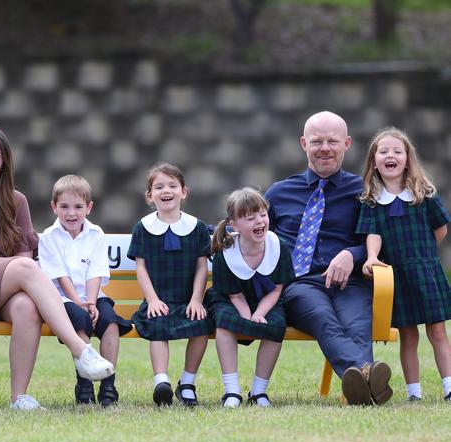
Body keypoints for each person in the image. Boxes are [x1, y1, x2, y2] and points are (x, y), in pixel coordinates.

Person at [0, 125, 114, 410]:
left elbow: (24, 256)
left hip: (4, 290)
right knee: (26, 267)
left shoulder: (16, 201)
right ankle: (80, 351)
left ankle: (19, 397)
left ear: (4, 162)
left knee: (27, 306)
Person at [265, 111, 393, 406]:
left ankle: (362, 388)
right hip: (300, 285)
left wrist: (352, 253)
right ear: (303, 144)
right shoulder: (280, 192)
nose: (325, 148)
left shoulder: (364, 192)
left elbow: (380, 241)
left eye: (332, 141)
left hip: (352, 283)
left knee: (357, 324)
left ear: (347, 143)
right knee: (324, 319)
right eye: (317, 141)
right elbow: (253, 235)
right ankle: (366, 374)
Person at [357, 127, 451, 403]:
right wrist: (372, 258)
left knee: (437, 332)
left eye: (397, 151)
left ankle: (449, 386)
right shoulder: (372, 202)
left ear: (407, 159)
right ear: (374, 161)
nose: (390, 155)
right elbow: (372, 234)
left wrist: (423, 254)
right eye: (383, 151)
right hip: (398, 276)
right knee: (408, 337)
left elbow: (440, 230)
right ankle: (414, 393)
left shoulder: (424, 194)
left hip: (426, 272)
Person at [38, 175, 132, 407]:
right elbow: (61, 276)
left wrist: (91, 302)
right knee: (80, 320)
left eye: (78, 207)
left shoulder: (96, 234)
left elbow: (96, 272)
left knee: (110, 322)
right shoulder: (49, 237)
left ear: (89, 207)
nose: (72, 213)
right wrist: (80, 304)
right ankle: (85, 382)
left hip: (93, 296)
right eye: (65, 207)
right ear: (54, 207)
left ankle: (108, 385)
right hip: (62, 299)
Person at [127, 163, 213, 407]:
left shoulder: (196, 227)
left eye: (173, 186)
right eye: (159, 187)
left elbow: (201, 267)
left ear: (184, 192)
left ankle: (187, 383)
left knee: (202, 324)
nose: (166, 190)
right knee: (157, 324)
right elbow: (141, 268)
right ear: (149, 195)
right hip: (159, 299)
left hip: (187, 299)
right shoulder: (143, 228)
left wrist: (197, 299)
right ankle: (161, 381)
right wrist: (152, 299)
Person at [205, 188, 295, 408]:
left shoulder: (278, 246)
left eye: (262, 214)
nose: (259, 221)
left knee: (276, 326)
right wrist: (248, 318)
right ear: (234, 225)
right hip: (230, 298)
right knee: (225, 324)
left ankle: (259, 391)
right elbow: (234, 295)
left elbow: (276, 290)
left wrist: (259, 315)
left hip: (266, 300)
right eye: (250, 217)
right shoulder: (225, 252)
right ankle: (232, 391)